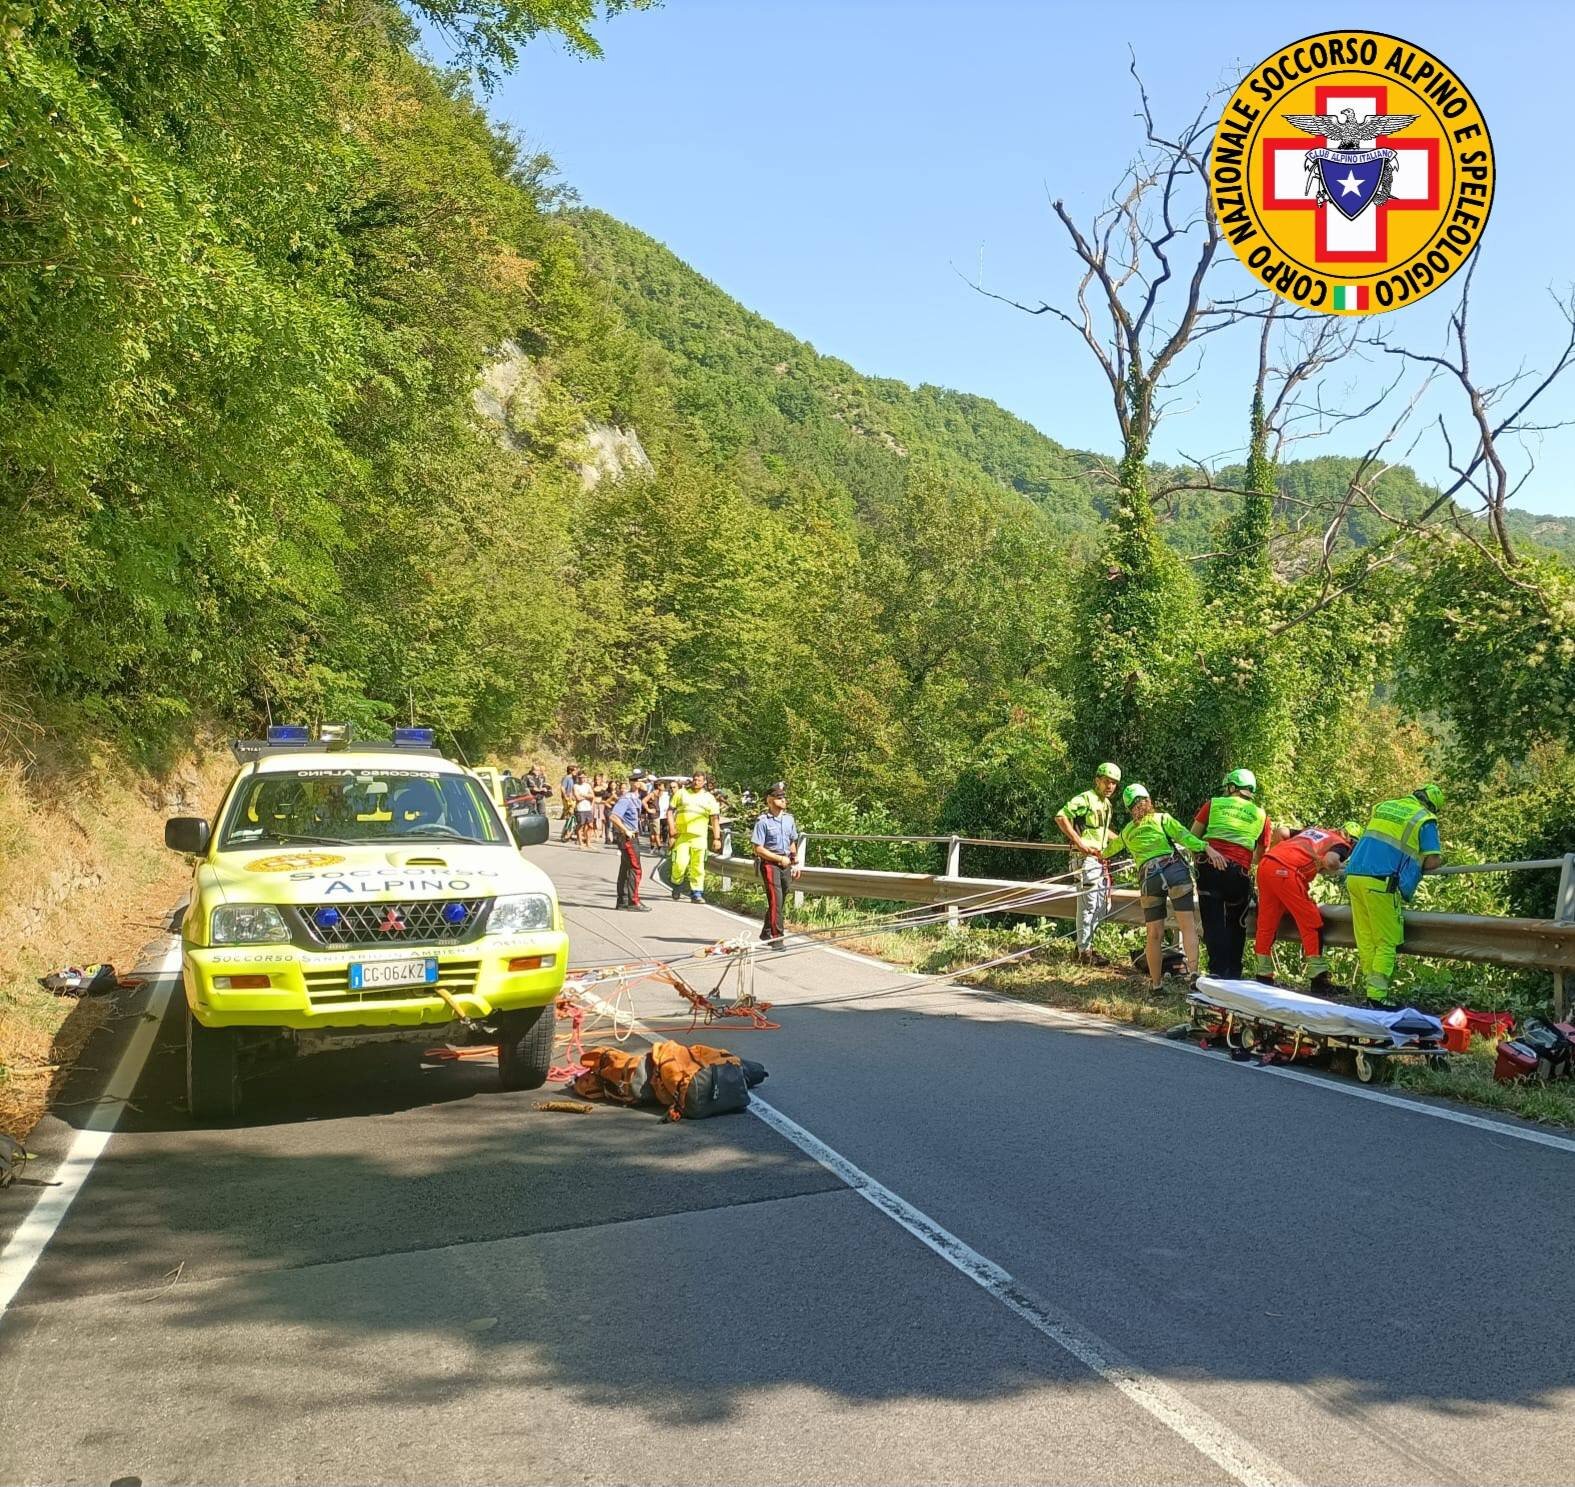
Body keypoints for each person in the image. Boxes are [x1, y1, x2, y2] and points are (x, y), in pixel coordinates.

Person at [1115, 783, 1226, 993]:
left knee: (1154, 934)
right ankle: (1193, 974)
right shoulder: (1162, 818)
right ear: (1148, 800)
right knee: (1187, 926)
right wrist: (1206, 847)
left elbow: (1109, 850)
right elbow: (1185, 836)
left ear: (1128, 807)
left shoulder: (1127, 832)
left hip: (1149, 879)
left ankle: (1156, 985)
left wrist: (1094, 851)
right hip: (1174, 872)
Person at [1344, 785, 1444, 1004]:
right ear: (1432, 806)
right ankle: (1378, 997)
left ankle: (1371, 992)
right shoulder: (1424, 818)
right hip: (1381, 880)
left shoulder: (1385, 806)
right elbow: (1433, 860)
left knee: (1367, 939)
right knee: (1387, 941)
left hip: (1354, 875)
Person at [1252, 824, 1357, 994]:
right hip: (1287, 872)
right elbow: (1331, 861)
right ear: (1352, 840)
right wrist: (1339, 867)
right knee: (1311, 923)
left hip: (1267, 864)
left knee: (1266, 924)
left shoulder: (1314, 831)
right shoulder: (1341, 843)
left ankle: (1263, 975)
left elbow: (1281, 831)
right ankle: (1319, 978)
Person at [1191, 768, 1271, 980]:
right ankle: (1233, 974)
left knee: (1213, 922)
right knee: (1237, 924)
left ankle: (1216, 972)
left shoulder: (1214, 803)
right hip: (1239, 875)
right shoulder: (1262, 816)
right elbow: (1260, 855)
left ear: (1232, 787)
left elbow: (1193, 838)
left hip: (1210, 869)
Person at [1054, 763, 1122, 962]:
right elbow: (1061, 816)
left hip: (1100, 859)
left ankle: (1084, 947)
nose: (1110, 786)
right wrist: (1079, 843)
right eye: (1107, 782)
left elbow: (1103, 830)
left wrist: (1123, 840)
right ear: (1097, 780)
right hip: (1085, 859)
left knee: (1104, 905)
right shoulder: (1086, 798)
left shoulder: (1107, 805)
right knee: (1089, 904)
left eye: (1114, 783)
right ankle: (1084, 953)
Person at [751, 781, 801, 946]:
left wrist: (795, 863)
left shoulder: (789, 820)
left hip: (786, 864)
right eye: (779, 797)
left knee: (779, 900)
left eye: (784, 797)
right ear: (770, 800)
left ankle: (766, 932)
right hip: (770, 864)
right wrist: (779, 859)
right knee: (776, 900)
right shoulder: (763, 821)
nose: (783, 800)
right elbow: (758, 848)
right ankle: (776, 937)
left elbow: (791, 842)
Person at [667, 769, 721, 902]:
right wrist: (672, 828)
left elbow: (714, 819)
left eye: (699, 780)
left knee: (698, 866)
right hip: (682, 836)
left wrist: (717, 838)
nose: (696, 782)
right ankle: (677, 884)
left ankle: (696, 893)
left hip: (700, 837)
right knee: (680, 863)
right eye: (695, 779)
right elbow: (670, 811)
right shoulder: (681, 793)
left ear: (704, 782)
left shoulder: (709, 798)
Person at [611, 770, 650, 911]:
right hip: (628, 837)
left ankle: (623, 900)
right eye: (643, 781)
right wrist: (625, 830)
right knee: (635, 869)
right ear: (636, 783)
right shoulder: (626, 799)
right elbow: (614, 817)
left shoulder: (636, 798)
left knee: (626, 868)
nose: (645, 784)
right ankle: (633, 901)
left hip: (632, 836)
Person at [572, 770, 596, 850]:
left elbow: (592, 796)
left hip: (588, 808)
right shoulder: (575, 786)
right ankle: (580, 843)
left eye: (584, 777)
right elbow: (578, 798)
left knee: (590, 825)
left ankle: (588, 843)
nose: (583, 779)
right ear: (578, 778)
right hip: (580, 808)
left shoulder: (588, 785)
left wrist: (584, 795)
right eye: (581, 777)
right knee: (580, 825)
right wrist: (587, 796)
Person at [559, 765, 578, 842]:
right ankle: (565, 834)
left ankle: (568, 832)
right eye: (575, 770)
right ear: (570, 771)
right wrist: (565, 796)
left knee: (572, 817)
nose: (576, 772)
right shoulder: (567, 778)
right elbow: (562, 787)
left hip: (573, 799)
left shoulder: (574, 778)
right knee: (570, 815)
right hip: (568, 800)